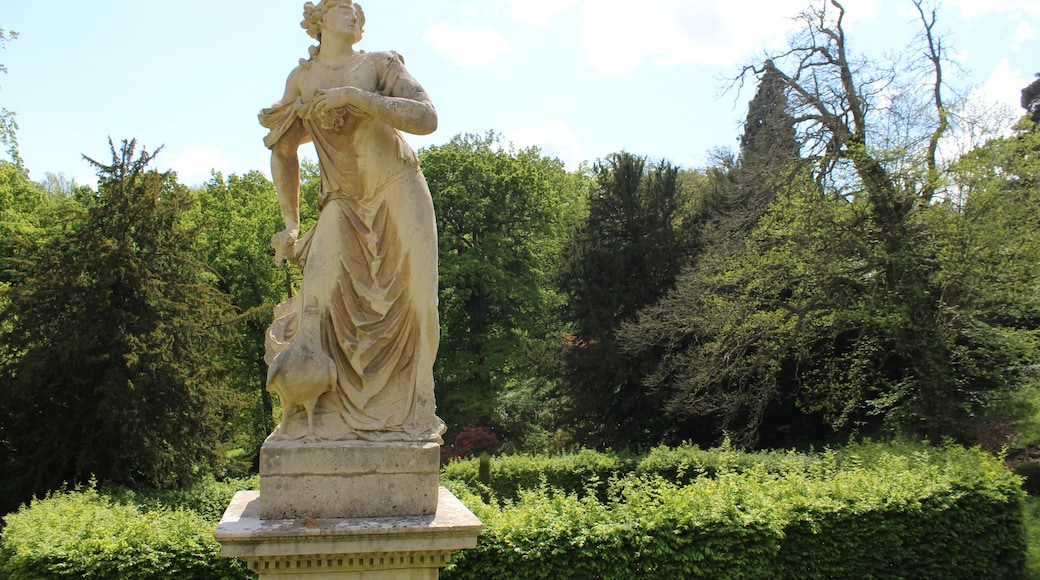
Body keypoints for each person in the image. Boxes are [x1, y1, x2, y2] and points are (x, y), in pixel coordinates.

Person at [260, 0, 444, 443]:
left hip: (397, 187)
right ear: (318, 20)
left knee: (420, 302)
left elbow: (427, 118)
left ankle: (417, 411)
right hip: (340, 200)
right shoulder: (302, 80)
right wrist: (290, 221)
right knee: (318, 299)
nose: (356, 16)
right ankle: (314, 419)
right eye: (344, 8)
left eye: (359, 11)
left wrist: (358, 99)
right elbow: (283, 151)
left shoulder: (381, 64)